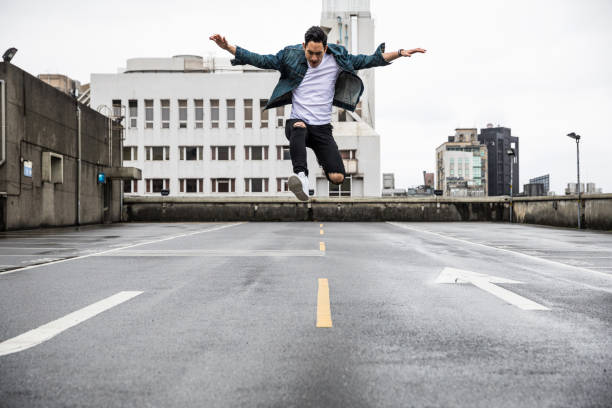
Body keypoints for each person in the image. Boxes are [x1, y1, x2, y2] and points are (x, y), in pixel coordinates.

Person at [210, 27, 425, 201]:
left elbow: (369, 60)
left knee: (338, 177)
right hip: (298, 122)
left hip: (322, 129)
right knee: (298, 127)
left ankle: (321, 160)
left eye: (318, 54)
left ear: (326, 49)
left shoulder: (339, 59)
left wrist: (398, 53)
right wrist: (229, 47)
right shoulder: (290, 56)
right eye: (310, 53)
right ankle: (301, 177)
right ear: (304, 47)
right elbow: (261, 60)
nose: (314, 58)